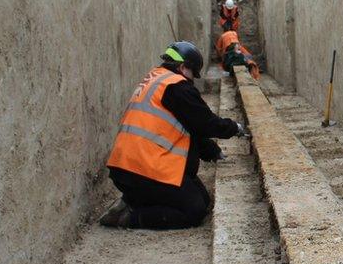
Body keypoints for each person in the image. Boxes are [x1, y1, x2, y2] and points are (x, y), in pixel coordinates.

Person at [98, 41, 249, 230]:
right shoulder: (177, 87)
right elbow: (205, 122)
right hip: (141, 168)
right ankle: (130, 216)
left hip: (126, 166)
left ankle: (133, 200)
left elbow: (188, 125)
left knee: (202, 196)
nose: (192, 80)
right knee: (194, 211)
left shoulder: (156, 79)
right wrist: (234, 127)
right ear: (183, 67)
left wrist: (211, 150)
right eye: (192, 73)